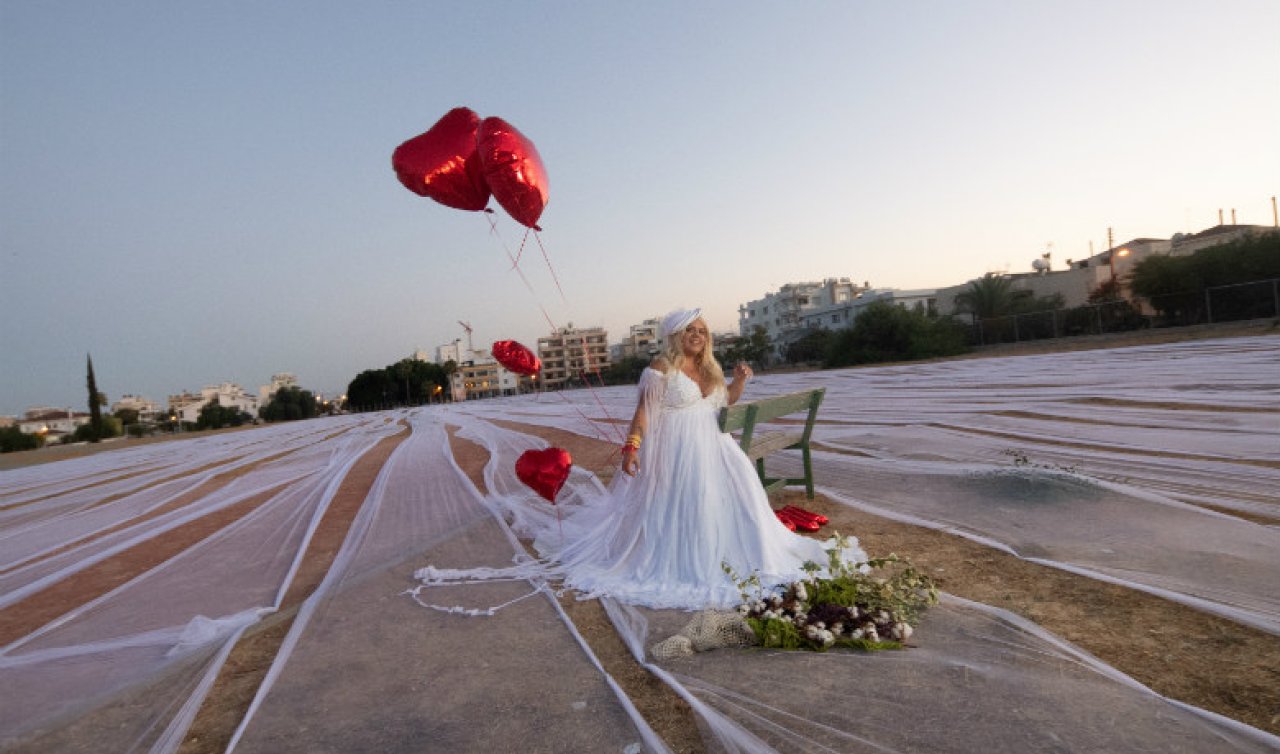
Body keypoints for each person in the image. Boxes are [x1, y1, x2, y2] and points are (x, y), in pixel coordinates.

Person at [548, 307, 866, 610]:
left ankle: (740, 556)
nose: (697, 335)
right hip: (676, 449)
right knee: (684, 505)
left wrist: (739, 381)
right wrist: (631, 446)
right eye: (690, 330)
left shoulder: (708, 368)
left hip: (715, 446)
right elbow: (644, 411)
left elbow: (722, 402)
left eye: (702, 331)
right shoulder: (661, 368)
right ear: (675, 334)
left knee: (735, 499)